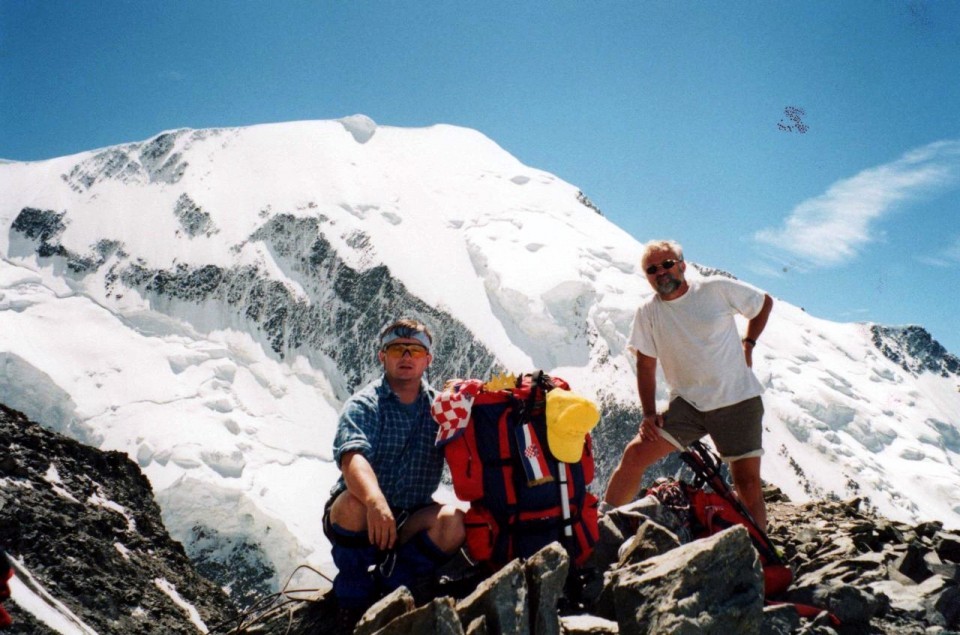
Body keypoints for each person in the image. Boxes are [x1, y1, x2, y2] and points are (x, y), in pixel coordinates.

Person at [604, 240, 774, 529]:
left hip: (737, 401)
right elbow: (646, 365)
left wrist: (749, 344)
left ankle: (764, 555)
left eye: (668, 264)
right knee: (634, 455)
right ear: (647, 277)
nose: (661, 272)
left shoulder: (714, 289)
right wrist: (648, 413)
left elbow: (763, 303)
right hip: (688, 406)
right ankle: (600, 530)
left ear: (683, 265)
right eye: (652, 269)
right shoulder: (648, 312)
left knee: (747, 484)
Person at [323, 318, 465, 625]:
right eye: (397, 348)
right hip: (365, 512)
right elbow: (352, 457)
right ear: (382, 356)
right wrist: (375, 501)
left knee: (452, 523)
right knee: (351, 504)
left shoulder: (440, 410)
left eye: (415, 350)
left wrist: (465, 400)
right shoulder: (365, 403)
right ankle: (352, 596)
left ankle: (395, 583)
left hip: (411, 516)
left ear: (428, 360)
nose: (406, 356)